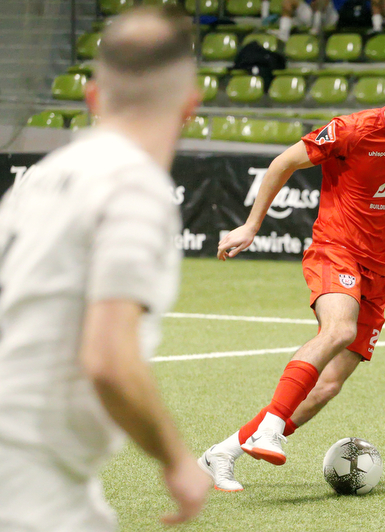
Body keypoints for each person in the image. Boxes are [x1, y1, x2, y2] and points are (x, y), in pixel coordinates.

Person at [198, 46, 385, 492]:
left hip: (380, 270)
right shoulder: (352, 130)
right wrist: (251, 226)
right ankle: (271, 429)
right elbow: (283, 163)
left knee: (327, 387)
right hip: (336, 250)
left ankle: (223, 452)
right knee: (338, 329)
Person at [0, 7, 210, 532]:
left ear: (93, 97)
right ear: (190, 106)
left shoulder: (40, 180)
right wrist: (176, 459)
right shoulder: (133, 186)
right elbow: (108, 361)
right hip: (26, 483)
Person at [265, 0, 339, 41]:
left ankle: (316, 30)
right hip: (310, 13)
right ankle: (284, 33)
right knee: (288, 1)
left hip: (327, 17)